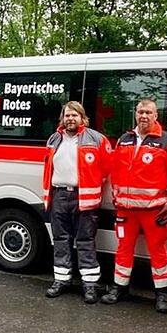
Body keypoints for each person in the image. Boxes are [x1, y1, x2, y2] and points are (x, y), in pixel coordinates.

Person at [100, 99, 167, 312]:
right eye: (140, 112)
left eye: (148, 112)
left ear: (156, 116)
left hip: (154, 210)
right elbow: (116, 171)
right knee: (123, 249)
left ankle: (163, 294)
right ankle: (120, 287)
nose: (144, 116)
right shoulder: (124, 139)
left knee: (158, 251)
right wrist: (116, 197)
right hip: (126, 210)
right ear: (135, 114)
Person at [42, 101, 111, 304]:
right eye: (67, 115)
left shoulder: (96, 139)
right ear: (62, 118)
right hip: (59, 196)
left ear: (82, 118)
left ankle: (90, 286)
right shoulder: (54, 139)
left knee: (85, 241)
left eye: (74, 115)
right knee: (60, 241)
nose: (70, 119)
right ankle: (61, 281)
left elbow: (107, 168)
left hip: (84, 198)